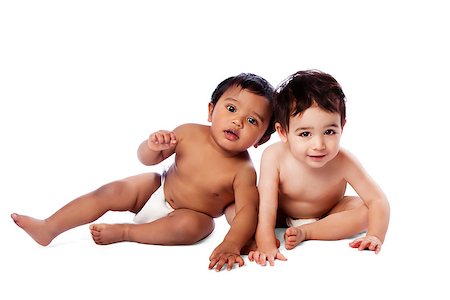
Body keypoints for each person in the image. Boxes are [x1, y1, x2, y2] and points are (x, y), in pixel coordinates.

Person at [11, 73, 275, 272]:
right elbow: (147, 160)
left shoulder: (244, 171)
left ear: (260, 139)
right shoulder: (187, 132)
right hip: (158, 190)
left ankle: (126, 232)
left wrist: (231, 243)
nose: (238, 121)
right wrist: (152, 147)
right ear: (210, 111)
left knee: (198, 226)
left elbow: (247, 212)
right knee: (113, 191)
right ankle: (49, 227)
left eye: (252, 121)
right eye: (231, 108)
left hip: (190, 214)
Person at [249, 70, 390, 266]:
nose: (319, 145)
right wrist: (265, 240)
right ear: (283, 132)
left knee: (367, 211)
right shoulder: (274, 156)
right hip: (280, 213)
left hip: (328, 214)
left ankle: (308, 232)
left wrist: (375, 236)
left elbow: (377, 199)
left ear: (343, 126)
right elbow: (267, 204)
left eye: (329, 131)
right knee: (243, 209)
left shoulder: (344, 160)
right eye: (305, 134)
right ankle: (263, 234)